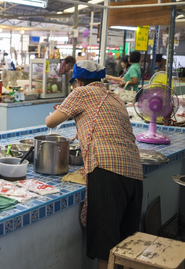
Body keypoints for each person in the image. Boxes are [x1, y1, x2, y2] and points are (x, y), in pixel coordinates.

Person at [45, 60, 143, 269]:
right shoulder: (114, 97)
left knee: (105, 246)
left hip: (108, 169)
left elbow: (50, 122)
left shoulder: (81, 93)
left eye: (74, 84)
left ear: (78, 81)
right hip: (134, 170)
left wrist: (63, 107)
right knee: (124, 245)